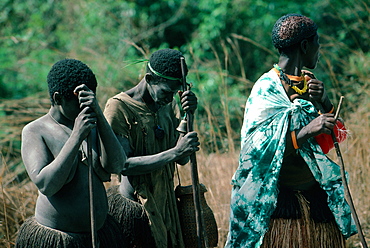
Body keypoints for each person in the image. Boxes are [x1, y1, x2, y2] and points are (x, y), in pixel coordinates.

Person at [225, 14, 357, 247]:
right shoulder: (266, 89)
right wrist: (306, 131)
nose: (320, 48)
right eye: (317, 42)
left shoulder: (310, 83)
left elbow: (339, 138)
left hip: (315, 201)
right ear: (305, 45)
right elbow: (256, 156)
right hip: (281, 207)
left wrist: (325, 103)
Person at [15, 59, 127, 248]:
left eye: (89, 100)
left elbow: (117, 166)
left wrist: (99, 114)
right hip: (59, 238)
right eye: (78, 103)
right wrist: (76, 136)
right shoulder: (36, 131)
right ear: (58, 99)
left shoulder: (92, 123)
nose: (85, 108)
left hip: (99, 233)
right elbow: (46, 185)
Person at [103, 48, 200, 248]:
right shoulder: (119, 108)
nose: (170, 97)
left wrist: (188, 116)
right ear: (149, 78)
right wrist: (175, 152)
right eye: (166, 92)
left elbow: (182, 159)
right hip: (137, 210)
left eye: (175, 92)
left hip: (167, 206)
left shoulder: (168, 106)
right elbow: (123, 165)